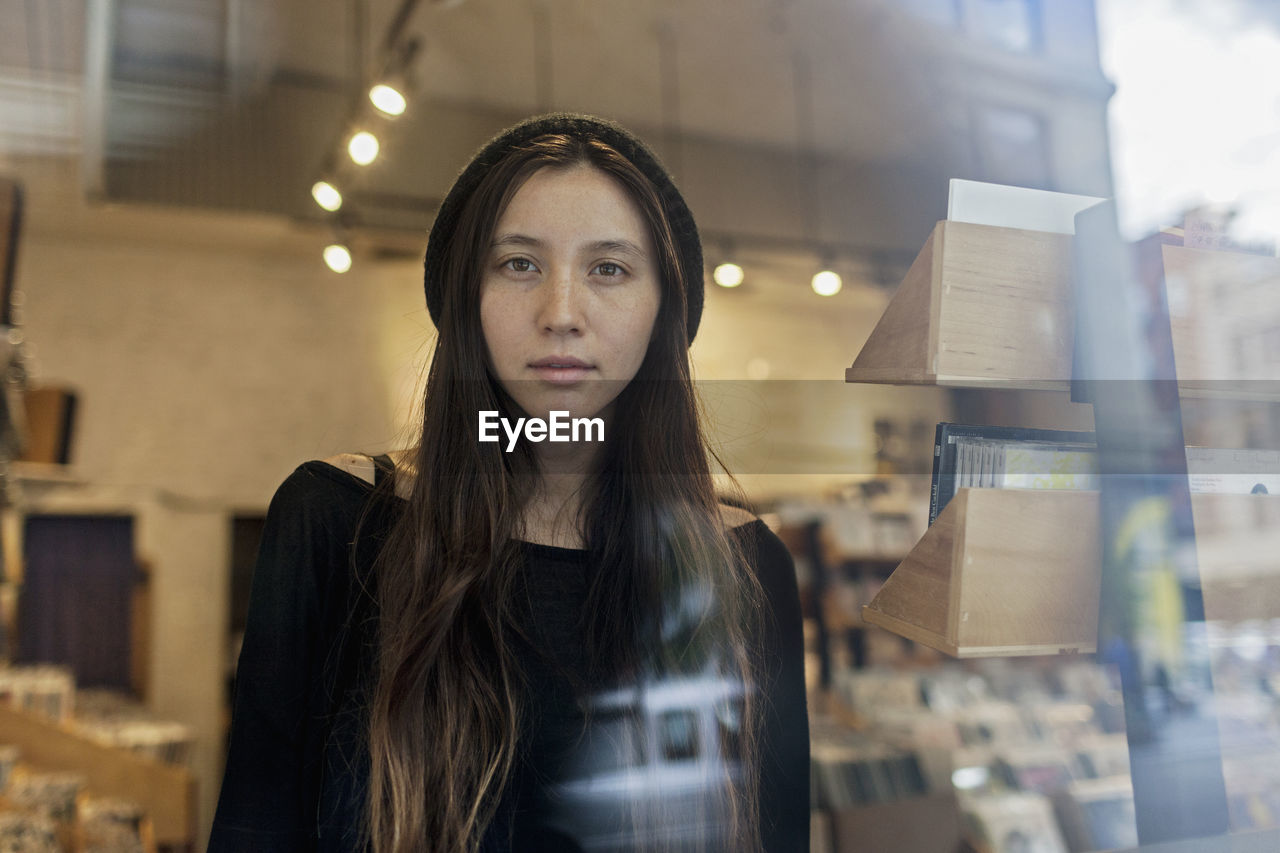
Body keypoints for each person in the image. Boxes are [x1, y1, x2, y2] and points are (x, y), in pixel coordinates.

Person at [208, 113, 809, 853]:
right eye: (519, 263)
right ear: (468, 298)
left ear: (663, 313)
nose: (560, 314)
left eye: (609, 268)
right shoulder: (335, 522)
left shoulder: (745, 565)